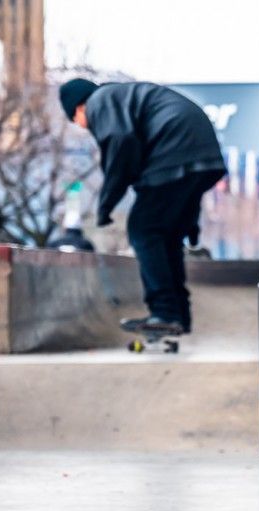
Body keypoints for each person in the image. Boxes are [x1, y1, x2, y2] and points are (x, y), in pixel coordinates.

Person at [60, 78, 226, 334]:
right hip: (200, 150)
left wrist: (107, 203)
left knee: (143, 229)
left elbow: (120, 141)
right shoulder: (123, 98)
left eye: (75, 120)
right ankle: (178, 313)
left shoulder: (99, 101)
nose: (82, 127)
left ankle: (164, 313)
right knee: (167, 236)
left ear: (78, 108)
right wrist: (189, 220)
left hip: (175, 146)